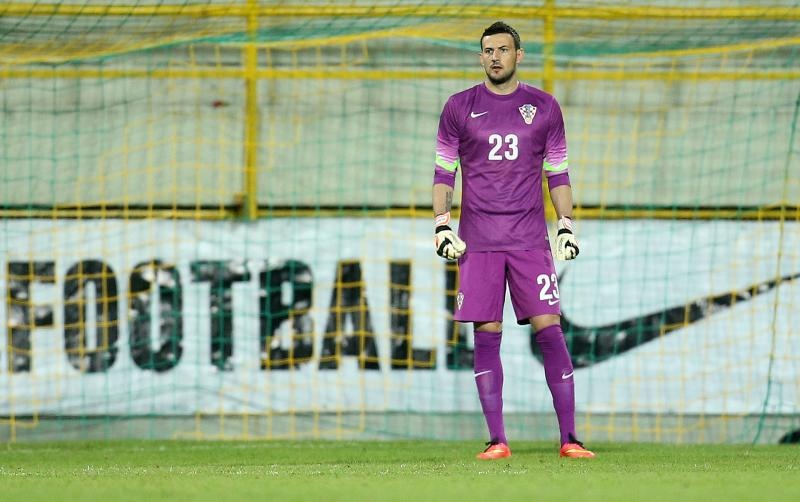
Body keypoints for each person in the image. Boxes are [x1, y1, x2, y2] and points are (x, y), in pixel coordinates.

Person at [432, 21, 595, 460]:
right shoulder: (458, 107)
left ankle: (570, 439)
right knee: (487, 333)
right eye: (488, 50)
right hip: (479, 241)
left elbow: (557, 172)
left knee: (550, 329)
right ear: (480, 56)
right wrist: (441, 224)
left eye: (503, 49)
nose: (495, 57)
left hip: (528, 240)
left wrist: (565, 224)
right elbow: (444, 171)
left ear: (519, 55)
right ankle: (497, 441)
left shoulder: (543, 107)